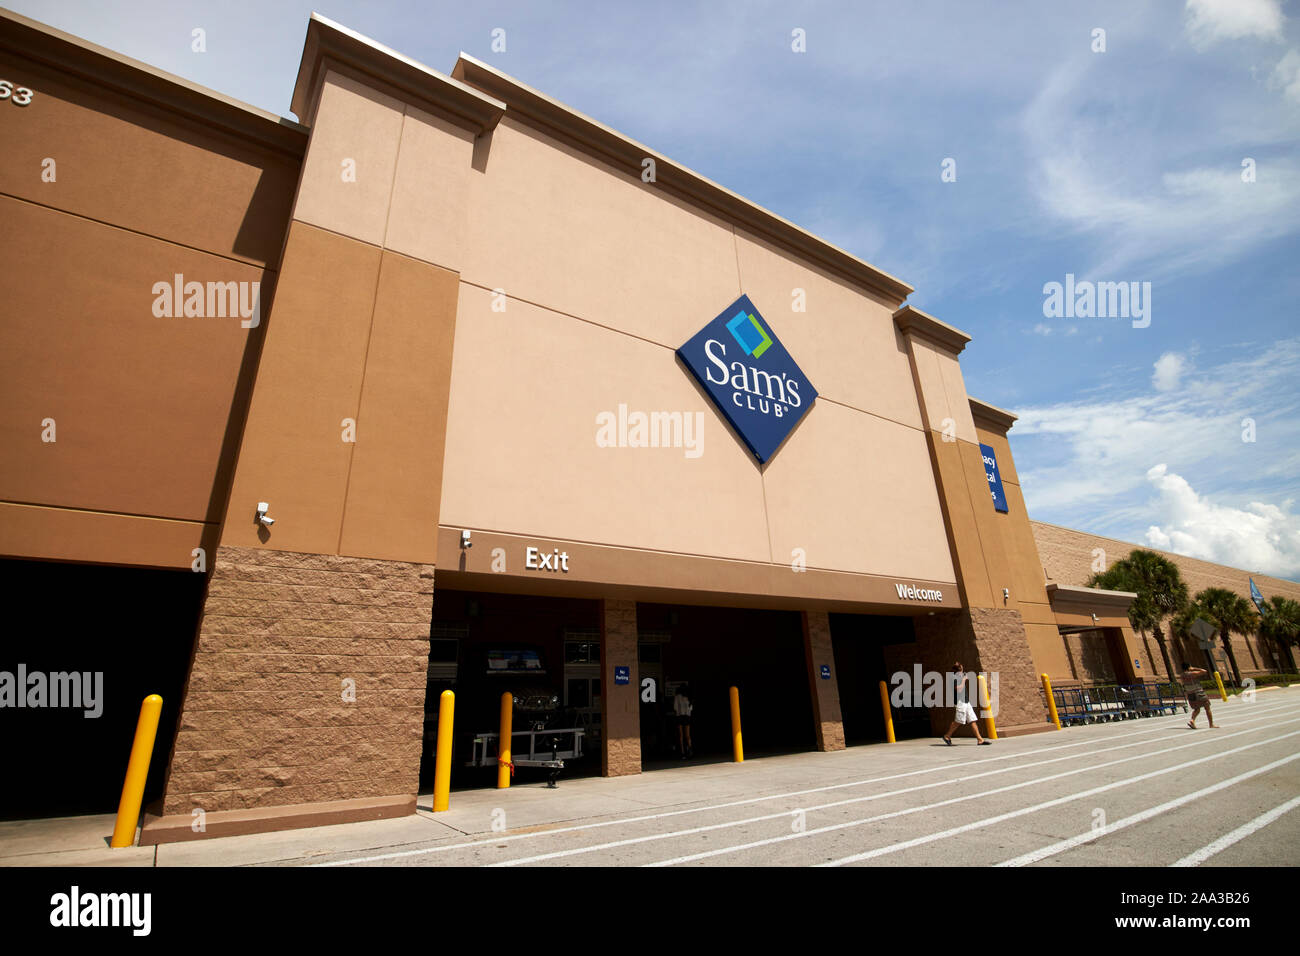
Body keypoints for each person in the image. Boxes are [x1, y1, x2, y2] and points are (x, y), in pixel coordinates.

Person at [943, 662, 991, 746]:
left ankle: (980, 740)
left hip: (966, 702)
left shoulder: (960, 676)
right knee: (958, 721)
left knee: (972, 720)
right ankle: (947, 736)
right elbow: (958, 690)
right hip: (960, 702)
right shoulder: (954, 678)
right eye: (961, 667)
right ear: (959, 669)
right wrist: (964, 680)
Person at [673, 684, 693, 758]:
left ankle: (682, 752)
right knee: (688, 735)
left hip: (680, 717)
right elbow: (691, 709)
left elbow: (675, 708)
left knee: (681, 736)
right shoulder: (689, 697)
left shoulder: (677, 697)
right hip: (687, 717)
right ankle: (690, 750)